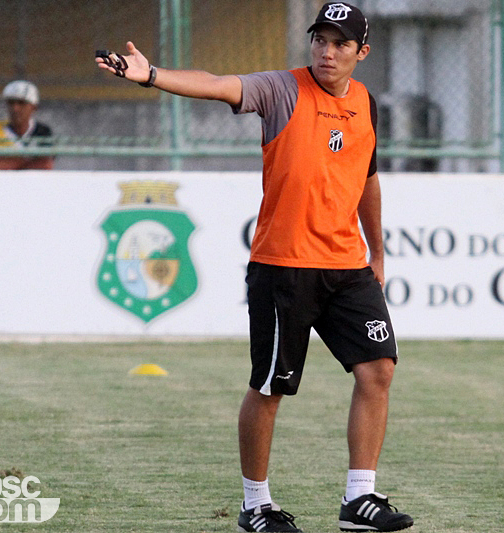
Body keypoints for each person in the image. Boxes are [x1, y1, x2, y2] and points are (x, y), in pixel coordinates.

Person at [97, 3, 413, 532]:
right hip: (283, 266)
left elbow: (367, 180)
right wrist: (152, 76)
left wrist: (376, 250)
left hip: (346, 265)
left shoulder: (365, 102)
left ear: (363, 52)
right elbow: (218, 83)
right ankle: (255, 504)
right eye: (319, 40)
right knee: (271, 387)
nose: (326, 51)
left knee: (378, 368)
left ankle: (360, 498)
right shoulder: (282, 90)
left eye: (339, 43)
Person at [0, 80, 54, 170]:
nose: (15, 108)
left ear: (34, 107)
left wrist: (9, 162)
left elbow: (46, 165)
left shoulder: (42, 131)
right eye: (11, 103)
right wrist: (29, 160)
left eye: (21, 103)